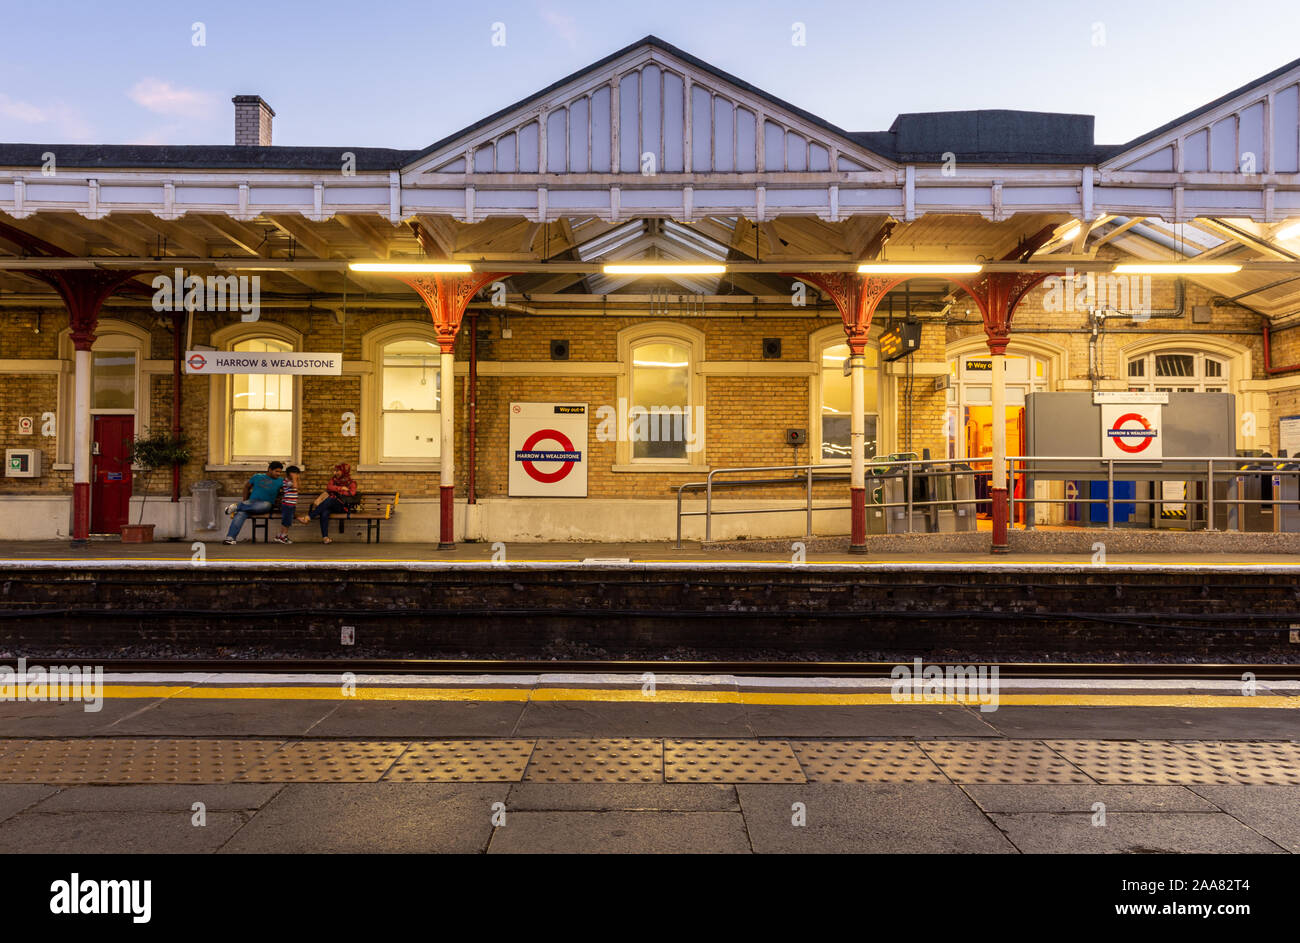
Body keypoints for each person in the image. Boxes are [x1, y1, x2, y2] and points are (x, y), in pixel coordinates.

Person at [223, 462, 285, 545]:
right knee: (241, 513)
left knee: (265, 505)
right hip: (251, 503)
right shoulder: (257, 477)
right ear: (270, 470)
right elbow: (246, 487)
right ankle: (230, 538)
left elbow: (287, 491)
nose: (278, 474)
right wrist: (245, 501)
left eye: (280, 472)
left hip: (265, 505)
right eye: (276, 471)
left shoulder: (280, 481)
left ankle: (236, 507)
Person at [300, 462, 358, 544]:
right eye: (335, 471)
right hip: (330, 505)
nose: (335, 473)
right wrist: (341, 488)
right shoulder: (333, 480)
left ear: (344, 471)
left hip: (343, 507)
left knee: (331, 498)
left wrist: (337, 491)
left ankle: (309, 517)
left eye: (338, 471)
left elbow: (352, 493)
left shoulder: (351, 482)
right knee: (324, 512)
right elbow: (329, 487)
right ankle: (325, 537)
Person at [274, 465, 302, 544]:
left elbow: (299, 486)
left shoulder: (292, 481)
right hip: (287, 504)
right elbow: (295, 486)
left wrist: (297, 479)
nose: (297, 476)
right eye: (295, 474)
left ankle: (280, 536)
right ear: (290, 474)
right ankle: (284, 536)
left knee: (286, 521)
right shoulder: (287, 481)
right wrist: (294, 478)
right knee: (287, 522)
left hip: (291, 505)